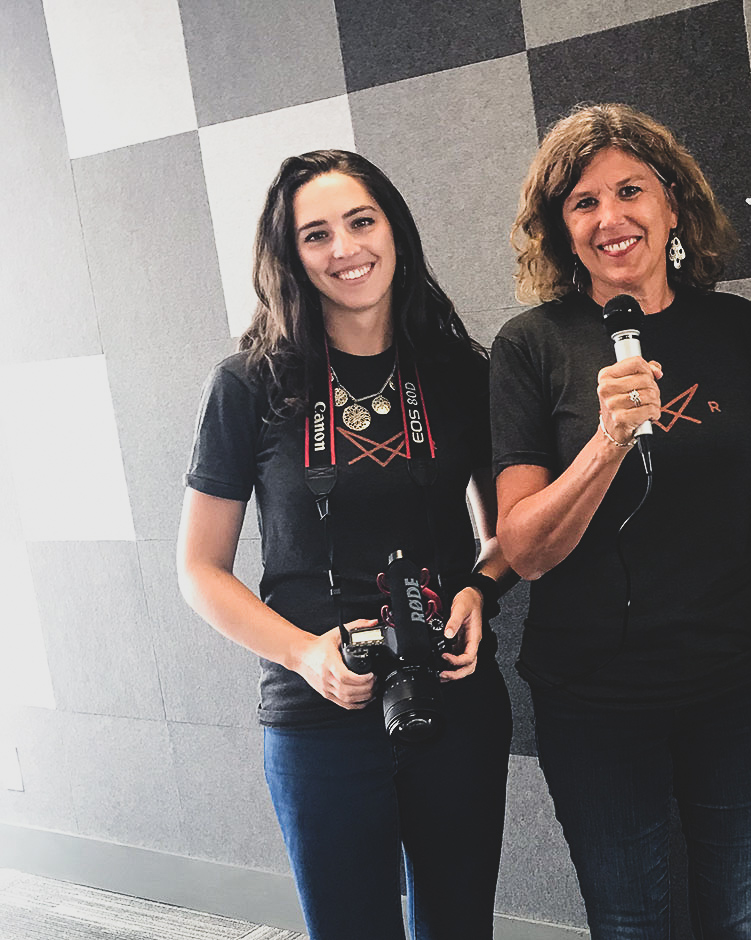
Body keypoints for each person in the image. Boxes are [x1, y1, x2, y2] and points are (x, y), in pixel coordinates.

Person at [490, 103, 751, 939]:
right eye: (583, 202)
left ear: (672, 204)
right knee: (628, 922)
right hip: (592, 700)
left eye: (630, 190)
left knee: (739, 918)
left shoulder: (736, 329)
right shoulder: (531, 346)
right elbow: (524, 550)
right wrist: (607, 441)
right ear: (562, 230)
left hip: (735, 684)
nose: (610, 216)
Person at [176, 150, 513, 940]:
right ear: (291, 255)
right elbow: (198, 569)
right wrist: (304, 655)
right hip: (319, 709)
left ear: (395, 229)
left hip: (453, 695)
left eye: (361, 221)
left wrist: (480, 590)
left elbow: (507, 533)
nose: (346, 248)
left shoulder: (462, 373)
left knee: (460, 927)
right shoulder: (249, 384)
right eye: (316, 234)